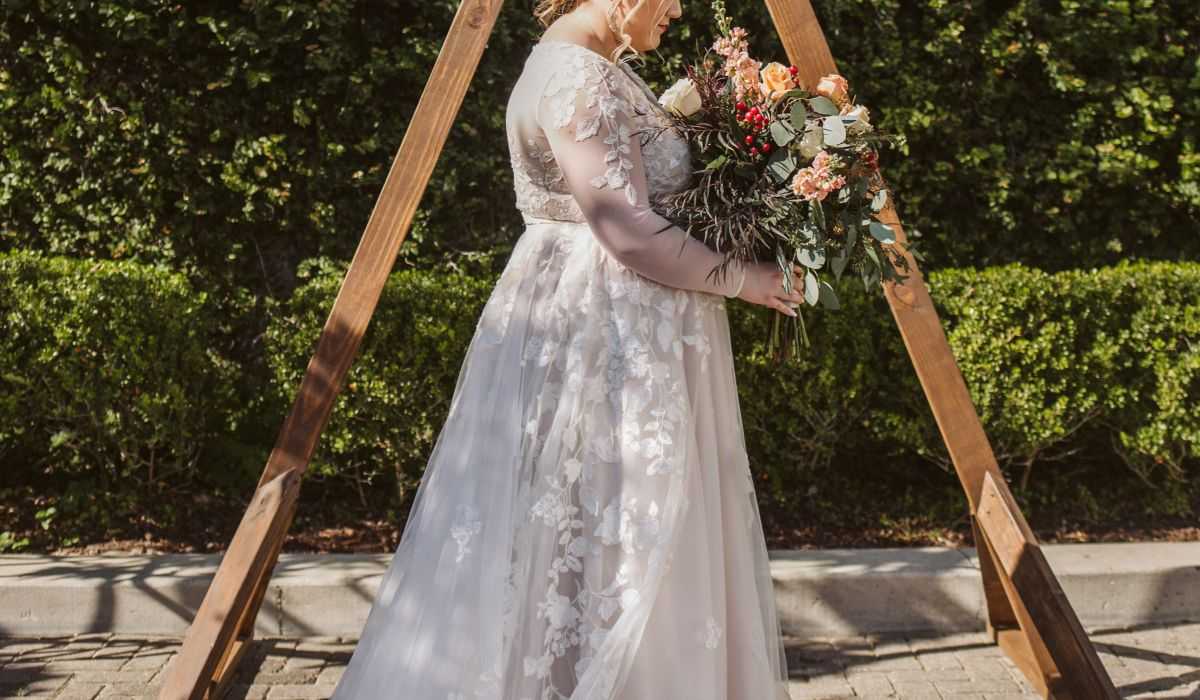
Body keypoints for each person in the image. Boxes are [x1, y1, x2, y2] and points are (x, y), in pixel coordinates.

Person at [330, 0, 803, 697]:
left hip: (613, 323)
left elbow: (635, 174)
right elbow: (629, 232)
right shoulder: (579, 78)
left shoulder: (593, 66)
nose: (676, 9)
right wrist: (747, 279)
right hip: (609, 336)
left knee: (598, 534)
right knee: (626, 534)